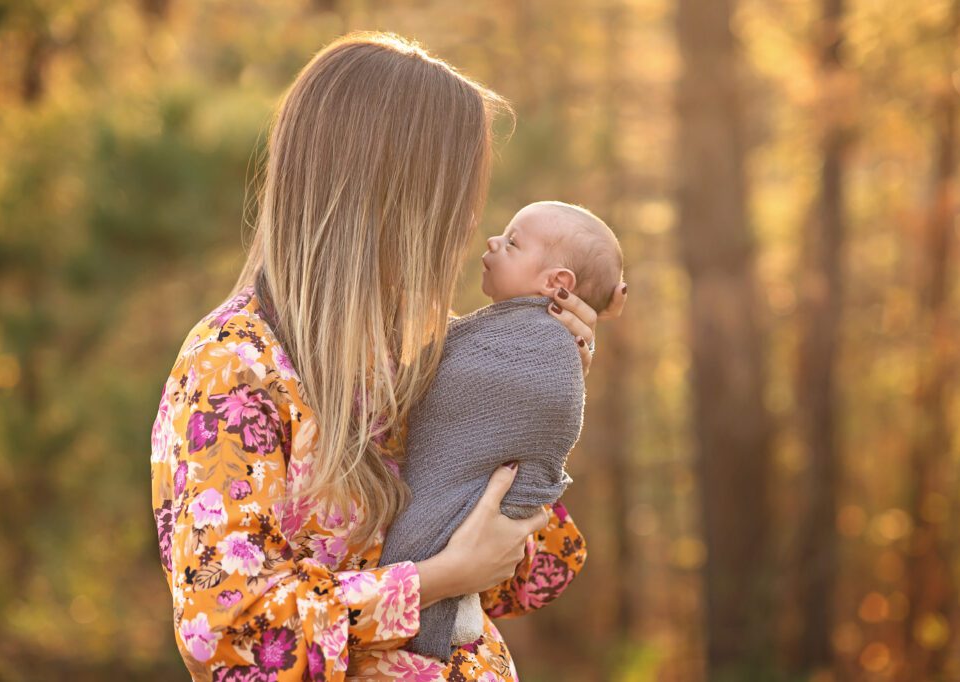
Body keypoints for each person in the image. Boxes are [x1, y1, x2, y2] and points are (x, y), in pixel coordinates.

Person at [149, 31, 627, 682]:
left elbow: (528, 582)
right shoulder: (236, 367)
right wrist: (430, 581)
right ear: (391, 195)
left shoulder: (430, 354)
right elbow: (231, 636)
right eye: (456, 194)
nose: (468, 223)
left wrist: (536, 408)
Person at [379, 200, 624, 661]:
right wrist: (441, 578)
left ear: (557, 284)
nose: (488, 238)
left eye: (511, 242)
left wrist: (539, 390)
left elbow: (531, 581)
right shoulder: (242, 357)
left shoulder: (510, 343)